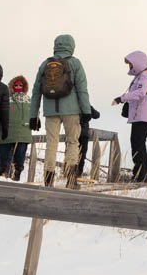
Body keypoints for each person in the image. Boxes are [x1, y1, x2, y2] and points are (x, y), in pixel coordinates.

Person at [31, 34, 98, 188]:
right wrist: (86, 111)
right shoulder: (75, 63)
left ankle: (48, 181)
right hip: (71, 110)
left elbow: (36, 91)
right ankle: (71, 180)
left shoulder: (45, 64)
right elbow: (82, 89)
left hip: (50, 111)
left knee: (51, 144)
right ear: (72, 46)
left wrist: (33, 115)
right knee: (72, 142)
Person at [112, 52, 147, 183]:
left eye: (131, 63)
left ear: (138, 62)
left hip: (144, 115)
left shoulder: (145, 75)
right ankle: (140, 174)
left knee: (138, 144)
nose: (130, 66)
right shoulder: (140, 76)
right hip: (140, 115)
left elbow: (140, 93)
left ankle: (141, 175)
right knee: (137, 143)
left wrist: (121, 99)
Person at [1, 75, 33, 180]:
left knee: (19, 158)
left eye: (21, 85)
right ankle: (3, 176)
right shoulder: (6, 99)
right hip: (7, 133)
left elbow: (34, 114)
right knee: (4, 159)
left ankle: (16, 175)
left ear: (24, 86)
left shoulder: (29, 100)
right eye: (16, 85)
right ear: (12, 86)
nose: (18, 86)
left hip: (23, 134)